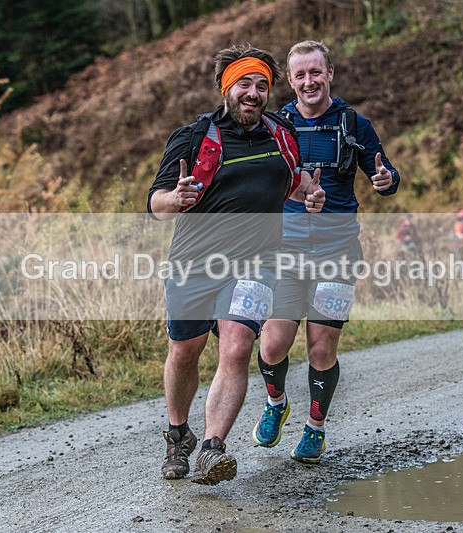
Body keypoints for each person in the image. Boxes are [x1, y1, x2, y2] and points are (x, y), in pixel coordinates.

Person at [147, 44, 325, 485]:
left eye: (262, 85)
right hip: (193, 263)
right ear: (226, 88)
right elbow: (156, 205)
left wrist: (310, 194)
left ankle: (212, 448)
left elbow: (294, 181)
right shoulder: (194, 137)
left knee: (238, 345)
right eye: (244, 83)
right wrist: (177, 198)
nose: (254, 92)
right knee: (185, 352)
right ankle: (177, 435)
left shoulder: (281, 134)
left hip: (256, 263)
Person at [252, 40, 400, 463]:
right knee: (272, 346)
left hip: (337, 251)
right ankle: (276, 403)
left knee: (321, 349)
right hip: (285, 252)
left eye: (316, 72)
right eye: (299, 75)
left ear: (330, 73)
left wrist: (387, 180)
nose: (308, 81)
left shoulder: (354, 123)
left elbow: (384, 172)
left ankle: (315, 428)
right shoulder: (275, 125)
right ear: (291, 80)